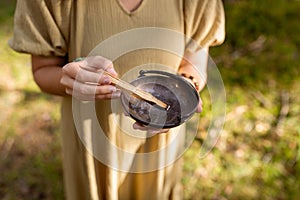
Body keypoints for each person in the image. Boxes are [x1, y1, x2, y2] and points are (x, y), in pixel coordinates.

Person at [9, 0, 225, 199]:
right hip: (90, 140)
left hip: (161, 143)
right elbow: (43, 70)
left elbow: (195, 61)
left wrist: (187, 88)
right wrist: (72, 80)